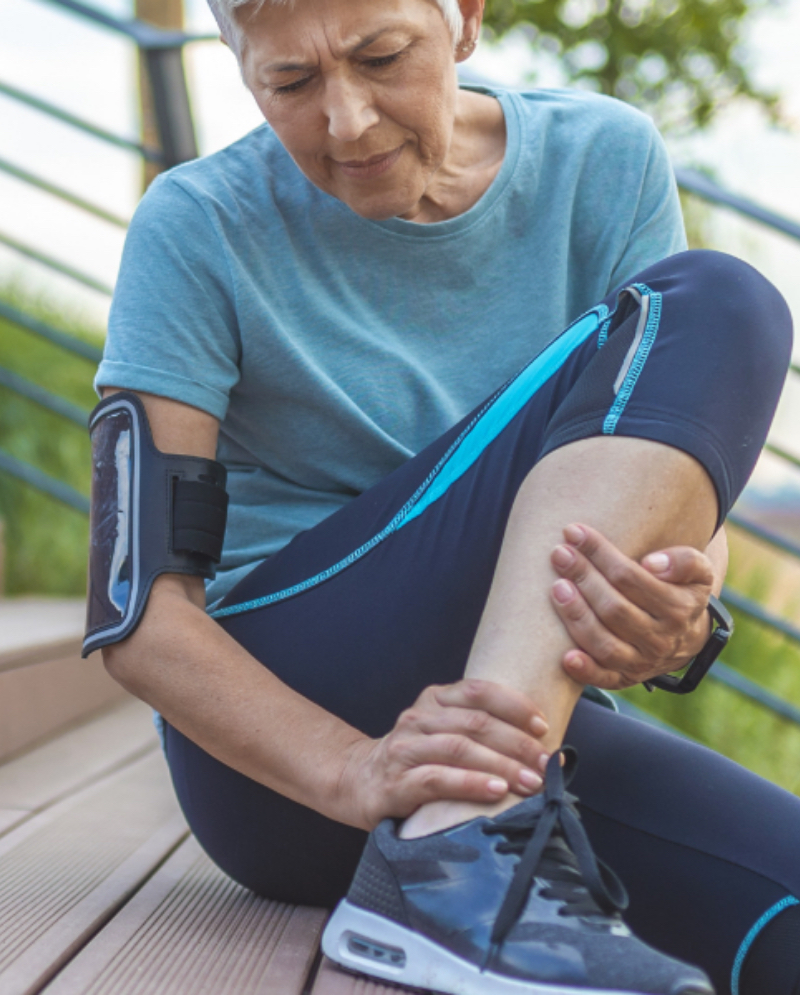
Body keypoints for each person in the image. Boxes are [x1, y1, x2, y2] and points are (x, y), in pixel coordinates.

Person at [88, 0, 797, 991]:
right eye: (288, 83)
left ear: (462, 18)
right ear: (235, 59)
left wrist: (673, 609)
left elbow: (657, 475)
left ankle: (457, 843)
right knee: (720, 301)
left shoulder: (601, 161)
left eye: (381, 58)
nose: (347, 122)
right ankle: (447, 855)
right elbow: (136, 615)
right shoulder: (196, 223)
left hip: (504, 736)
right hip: (286, 761)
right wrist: (350, 768)